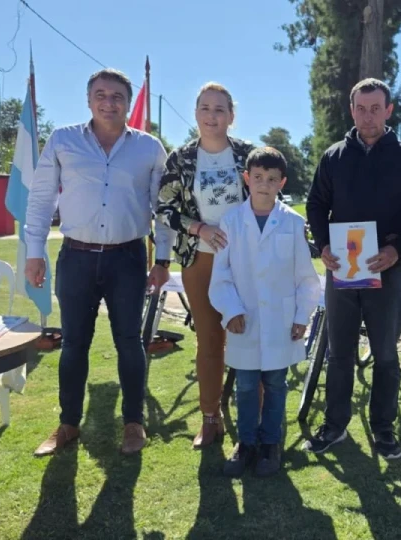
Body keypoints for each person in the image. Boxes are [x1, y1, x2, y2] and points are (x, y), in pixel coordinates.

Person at [26, 68, 175, 457]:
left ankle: (133, 423)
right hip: (75, 256)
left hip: (127, 258)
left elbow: (163, 209)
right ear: (88, 98)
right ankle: (68, 424)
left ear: (128, 103)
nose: (109, 103)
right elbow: (42, 199)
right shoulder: (63, 141)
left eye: (117, 97)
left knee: (130, 341)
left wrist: (162, 258)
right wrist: (33, 252)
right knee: (74, 343)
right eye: (101, 95)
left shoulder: (149, 148)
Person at [303, 78, 401, 458]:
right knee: (338, 352)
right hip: (342, 270)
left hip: (385, 271)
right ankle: (335, 425)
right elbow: (315, 206)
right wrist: (323, 245)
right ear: (351, 109)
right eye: (361, 108)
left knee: (387, 354)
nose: (368, 116)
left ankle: (384, 428)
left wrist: (397, 249)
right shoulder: (333, 157)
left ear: (389, 111)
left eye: (376, 108)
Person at [209, 147, 321, 477]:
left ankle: (271, 444)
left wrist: (302, 317)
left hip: (280, 322)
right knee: (245, 386)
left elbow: (305, 277)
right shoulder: (230, 222)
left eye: (272, 179)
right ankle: (246, 443)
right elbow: (221, 276)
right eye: (257, 177)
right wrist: (230, 310)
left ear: (281, 183)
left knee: (275, 383)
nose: (263, 184)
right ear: (246, 178)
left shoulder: (292, 222)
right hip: (244, 321)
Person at [156, 82, 254, 448]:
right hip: (199, 259)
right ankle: (210, 418)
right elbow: (164, 208)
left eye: (219, 109)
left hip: (246, 261)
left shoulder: (249, 154)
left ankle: (253, 417)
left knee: (248, 336)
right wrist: (199, 227)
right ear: (196, 112)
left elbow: (268, 196)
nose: (212, 116)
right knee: (209, 339)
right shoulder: (180, 159)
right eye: (205, 108)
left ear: (231, 116)